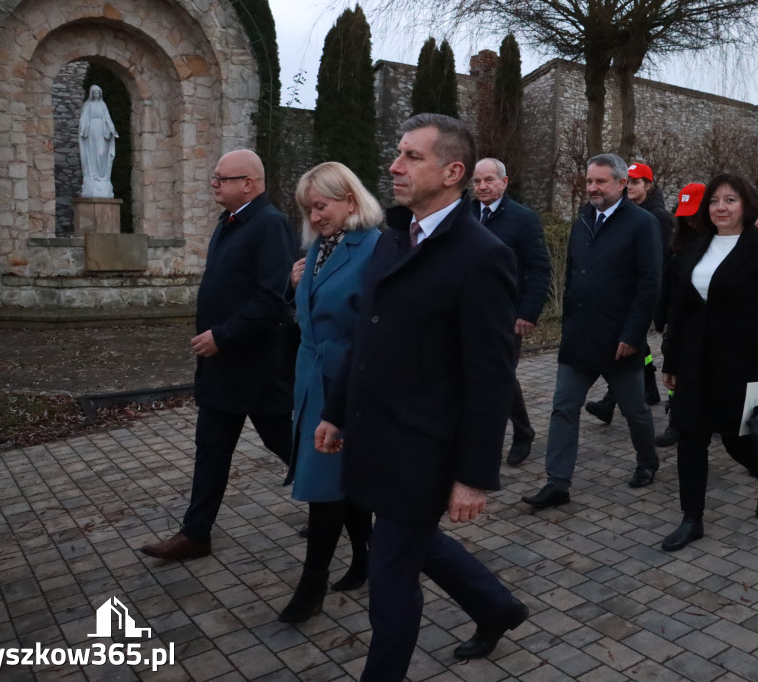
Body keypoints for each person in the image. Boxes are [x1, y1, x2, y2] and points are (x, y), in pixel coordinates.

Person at [314, 114, 527, 680]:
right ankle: (496, 606)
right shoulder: (393, 238)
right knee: (413, 544)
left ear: (453, 171)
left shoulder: (482, 256)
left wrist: (474, 475)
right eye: (398, 153)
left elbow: (491, 376)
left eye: (411, 156)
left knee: (390, 581)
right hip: (375, 435)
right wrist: (337, 411)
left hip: (424, 452)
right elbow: (366, 336)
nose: (394, 165)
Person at [140, 150, 299, 561]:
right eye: (215, 178)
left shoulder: (270, 225)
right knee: (211, 449)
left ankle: (340, 502)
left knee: (287, 444)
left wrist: (223, 336)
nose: (214, 184)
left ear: (249, 183)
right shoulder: (226, 224)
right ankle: (195, 534)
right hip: (220, 368)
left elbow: (273, 298)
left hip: (257, 367)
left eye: (222, 178)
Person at [660, 174, 758, 552]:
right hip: (694, 361)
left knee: (738, 440)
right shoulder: (695, 248)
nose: (721, 207)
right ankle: (692, 519)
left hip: (744, 361)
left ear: (746, 205)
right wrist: (671, 360)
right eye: (715, 201)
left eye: (730, 200)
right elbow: (681, 310)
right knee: (690, 437)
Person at [521, 153, 661, 509]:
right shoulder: (583, 219)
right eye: (589, 181)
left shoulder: (642, 223)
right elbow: (572, 276)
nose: (593, 188)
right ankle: (557, 482)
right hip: (579, 336)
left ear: (621, 184)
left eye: (600, 181)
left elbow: (649, 285)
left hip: (619, 341)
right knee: (563, 408)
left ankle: (647, 460)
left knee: (635, 411)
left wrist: (632, 335)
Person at [276, 162, 382, 624]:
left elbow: (374, 328)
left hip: (346, 383)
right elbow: (306, 311)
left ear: (350, 201)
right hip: (311, 377)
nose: (315, 217)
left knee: (325, 486)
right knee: (346, 481)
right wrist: (295, 285)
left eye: (321, 206)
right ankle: (364, 559)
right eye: (308, 209)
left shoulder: (375, 248)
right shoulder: (318, 249)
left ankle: (311, 583)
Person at [470, 157, 552, 466]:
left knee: (500, 377)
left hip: (506, 315)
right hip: (468, 313)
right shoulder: (464, 215)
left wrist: (528, 313)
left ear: (504, 182)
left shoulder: (522, 219)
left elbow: (540, 268)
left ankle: (522, 432)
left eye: (489, 180)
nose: (483, 186)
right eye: (477, 181)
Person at [585, 161, 673, 422]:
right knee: (637, 345)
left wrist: (657, 303)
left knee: (630, 343)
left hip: (642, 295)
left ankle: (612, 402)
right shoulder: (624, 212)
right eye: (629, 182)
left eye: (637, 182)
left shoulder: (656, 216)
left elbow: (660, 262)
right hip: (624, 294)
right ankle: (647, 389)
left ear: (648, 184)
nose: (631, 187)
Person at [654, 182, 707, 448]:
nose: (690, 221)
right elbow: (668, 283)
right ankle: (677, 419)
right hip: (678, 321)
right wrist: (662, 318)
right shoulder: (678, 245)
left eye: (694, 214)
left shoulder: (715, 245)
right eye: (685, 215)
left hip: (705, 324)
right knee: (674, 370)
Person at [78, 85, 119, 198]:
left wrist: (112, 129)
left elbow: (107, 118)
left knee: (101, 153)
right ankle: (93, 177)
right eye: (94, 93)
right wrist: (82, 128)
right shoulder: (88, 105)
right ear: (91, 94)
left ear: (100, 94)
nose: (96, 94)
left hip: (102, 131)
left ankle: (102, 177)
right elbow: (84, 118)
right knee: (92, 153)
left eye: (98, 93)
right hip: (91, 131)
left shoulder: (102, 105)